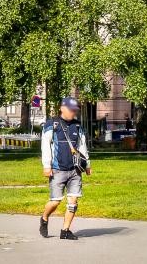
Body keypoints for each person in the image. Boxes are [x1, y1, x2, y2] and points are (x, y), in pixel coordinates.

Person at [40, 97, 91, 240]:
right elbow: (45, 147)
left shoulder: (77, 126)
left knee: (73, 202)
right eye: (71, 110)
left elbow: (82, 146)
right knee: (55, 201)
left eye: (75, 110)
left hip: (75, 170)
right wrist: (46, 166)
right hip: (57, 169)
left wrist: (87, 164)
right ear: (62, 108)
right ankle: (44, 218)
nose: (74, 113)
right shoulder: (52, 124)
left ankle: (65, 230)